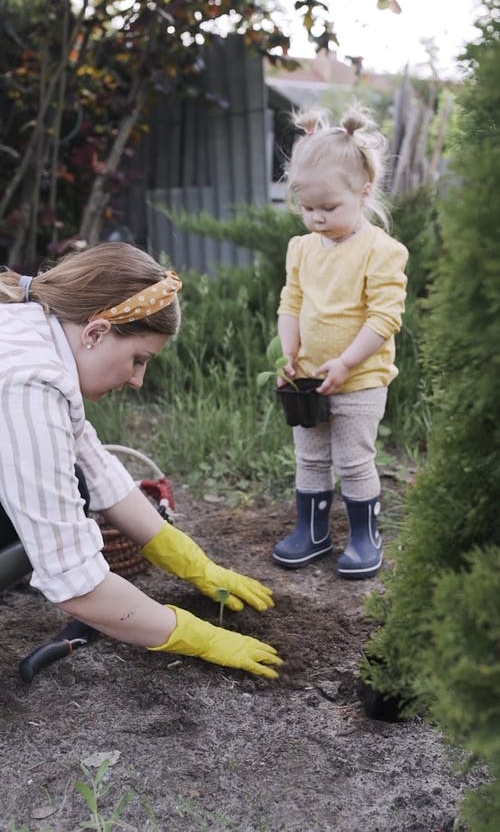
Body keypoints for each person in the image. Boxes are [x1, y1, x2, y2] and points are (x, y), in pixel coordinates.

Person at [0, 242, 282, 679]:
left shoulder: (33, 326)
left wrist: (189, 560)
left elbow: (93, 463)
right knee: (54, 509)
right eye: (138, 360)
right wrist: (198, 636)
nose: (137, 380)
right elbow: (74, 580)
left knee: (76, 481)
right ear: (96, 332)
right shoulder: (29, 383)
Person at [272, 103, 409, 579]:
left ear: (363, 191)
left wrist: (348, 363)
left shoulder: (381, 251)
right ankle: (312, 532)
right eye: (307, 208)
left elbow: (384, 317)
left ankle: (365, 538)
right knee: (310, 457)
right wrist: (289, 352)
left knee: (352, 461)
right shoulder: (301, 248)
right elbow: (291, 303)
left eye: (328, 208)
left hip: (361, 378)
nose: (315, 218)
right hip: (309, 379)